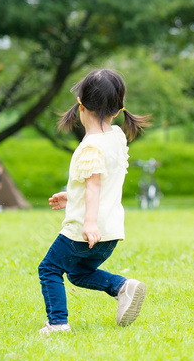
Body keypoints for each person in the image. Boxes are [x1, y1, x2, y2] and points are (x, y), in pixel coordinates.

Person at [37, 69, 151, 335]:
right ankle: (122, 287)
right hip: (110, 231)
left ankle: (57, 323)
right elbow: (101, 181)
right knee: (78, 272)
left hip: (85, 230)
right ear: (118, 109)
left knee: (49, 268)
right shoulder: (116, 137)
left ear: (80, 104)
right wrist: (72, 196)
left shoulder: (90, 147)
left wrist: (88, 222)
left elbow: (95, 184)